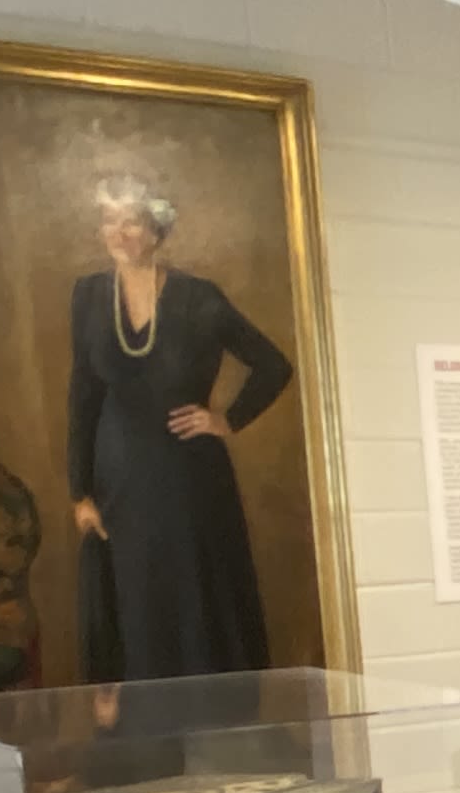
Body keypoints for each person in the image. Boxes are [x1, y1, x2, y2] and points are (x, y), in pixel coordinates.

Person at [67, 178, 294, 684]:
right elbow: (83, 394)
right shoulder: (87, 295)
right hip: (118, 478)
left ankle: (213, 729)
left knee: (194, 599)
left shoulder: (199, 298)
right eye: (109, 221)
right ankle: (147, 736)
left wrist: (226, 419)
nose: (118, 233)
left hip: (188, 474)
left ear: (155, 229)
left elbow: (273, 366)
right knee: (136, 599)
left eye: (131, 221)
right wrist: (80, 491)